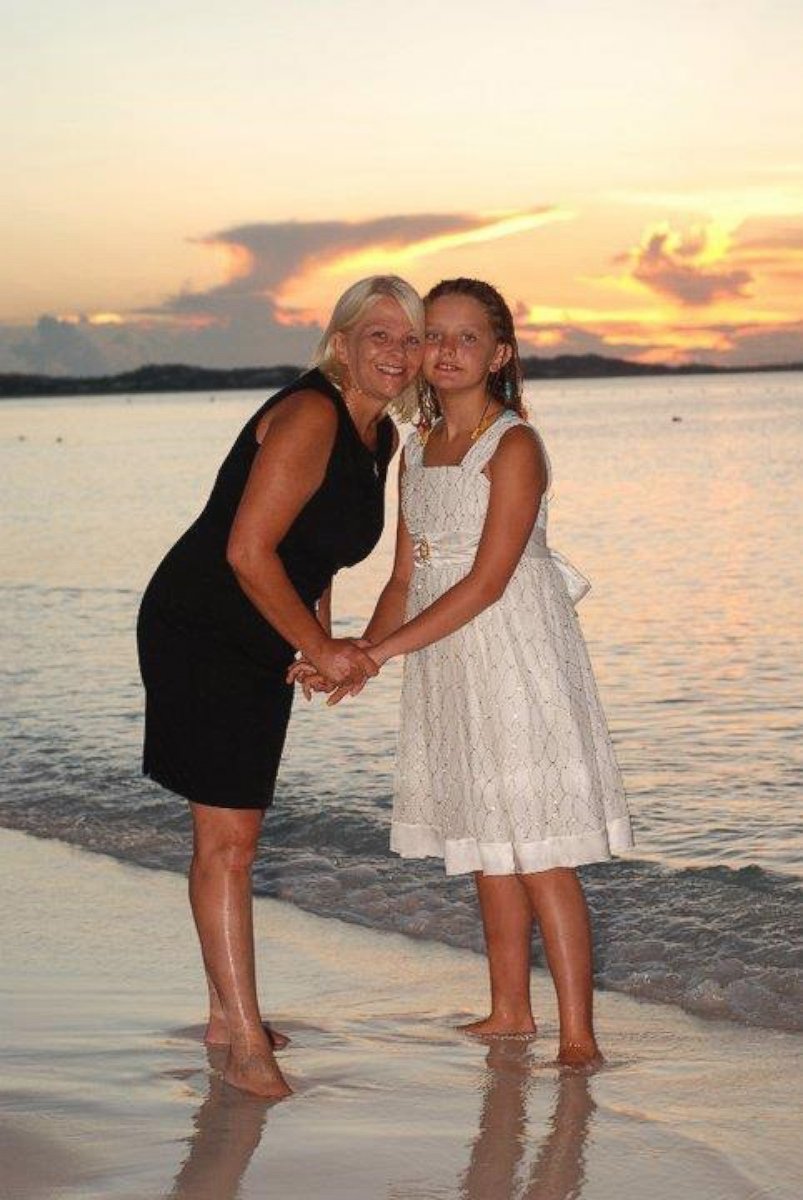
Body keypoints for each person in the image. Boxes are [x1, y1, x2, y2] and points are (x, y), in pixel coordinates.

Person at [293, 278, 632, 1066]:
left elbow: (486, 582)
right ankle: (508, 1010)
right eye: (431, 335)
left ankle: (578, 1033)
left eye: (465, 337)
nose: (443, 351)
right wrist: (348, 659)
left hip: (514, 653)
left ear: (499, 354)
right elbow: (404, 579)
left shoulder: (513, 445)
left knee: (538, 842)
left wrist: (381, 651)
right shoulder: (415, 450)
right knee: (484, 837)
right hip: (446, 658)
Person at [137, 275, 424, 1097]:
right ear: (341, 343)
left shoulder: (378, 440)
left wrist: (313, 638)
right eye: (379, 335)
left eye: (408, 339)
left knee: (234, 833)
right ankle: (240, 1045)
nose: (396, 354)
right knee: (227, 840)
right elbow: (246, 552)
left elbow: (316, 550)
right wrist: (318, 644)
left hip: (260, 629)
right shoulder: (309, 415)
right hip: (202, 627)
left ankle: (232, 1016)